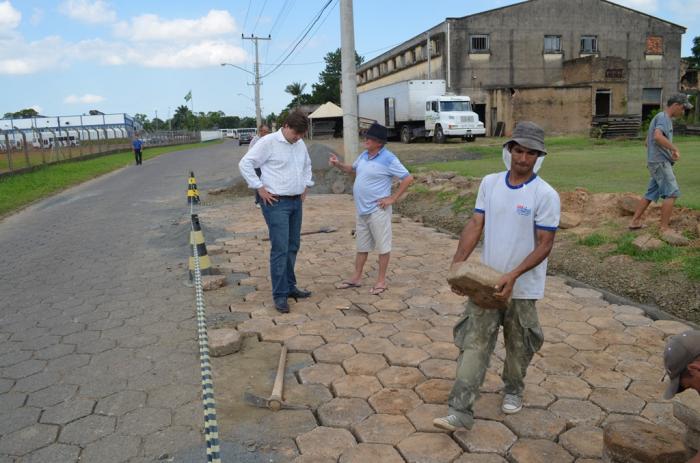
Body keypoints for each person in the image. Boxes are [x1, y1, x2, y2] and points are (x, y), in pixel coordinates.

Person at [434, 121, 560, 432]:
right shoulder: (490, 184)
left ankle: (514, 388)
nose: (523, 158)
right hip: (486, 285)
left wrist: (514, 275)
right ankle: (460, 410)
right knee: (474, 344)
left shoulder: (545, 195)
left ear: (539, 157)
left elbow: (545, 244)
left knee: (519, 348)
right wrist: (458, 267)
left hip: (523, 288)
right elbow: (476, 224)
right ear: (509, 151)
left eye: (531, 153)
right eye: (518, 150)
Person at [238, 111, 314, 313]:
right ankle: (279, 295)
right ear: (286, 126)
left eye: (301, 134)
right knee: (280, 248)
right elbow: (245, 163)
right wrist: (259, 187)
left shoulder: (299, 143)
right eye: (296, 133)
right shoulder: (268, 142)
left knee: (293, 245)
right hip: (276, 203)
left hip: (296, 202)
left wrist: (306, 184)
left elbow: (307, 165)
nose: (298, 137)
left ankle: (290, 287)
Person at [328, 122, 413, 295]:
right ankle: (356, 278)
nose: (366, 140)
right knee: (362, 246)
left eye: (370, 138)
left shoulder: (389, 158)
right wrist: (338, 164)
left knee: (383, 246)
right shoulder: (364, 155)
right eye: (366, 136)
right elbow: (352, 169)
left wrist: (392, 198)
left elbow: (408, 178)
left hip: (378, 210)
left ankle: (381, 281)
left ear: (379, 142)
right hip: (362, 210)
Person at [629, 94, 693, 246]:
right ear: (676, 105)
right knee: (671, 193)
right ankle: (664, 228)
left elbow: (647, 141)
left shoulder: (659, 117)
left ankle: (635, 222)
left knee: (651, 193)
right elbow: (657, 137)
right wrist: (674, 148)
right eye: (683, 108)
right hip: (660, 163)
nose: (683, 112)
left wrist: (663, 152)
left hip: (656, 161)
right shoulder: (664, 118)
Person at [250, 124, 271, 207]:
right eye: (264, 131)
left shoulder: (269, 139)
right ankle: (258, 201)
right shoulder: (255, 140)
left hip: (266, 165)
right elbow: (250, 153)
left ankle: (267, 198)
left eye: (267, 132)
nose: (266, 133)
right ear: (260, 131)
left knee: (267, 182)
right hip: (257, 165)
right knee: (258, 183)